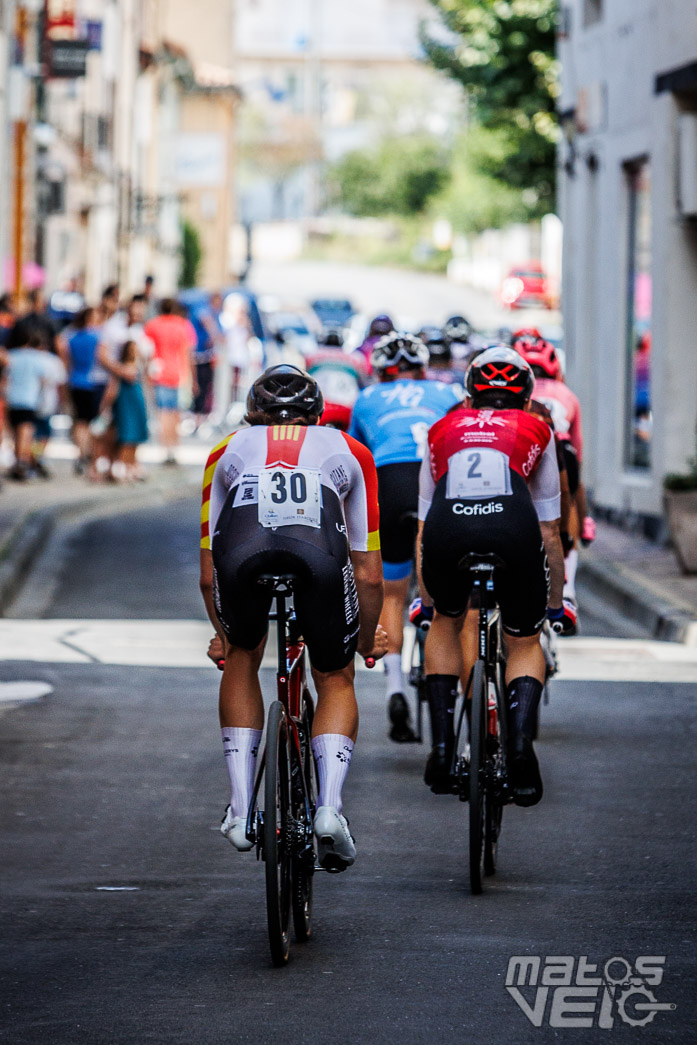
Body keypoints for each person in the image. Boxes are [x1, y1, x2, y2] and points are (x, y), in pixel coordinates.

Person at [199, 364, 387, 869]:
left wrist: (224, 634)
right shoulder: (351, 451)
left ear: (250, 415)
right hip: (319, 560)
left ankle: (240, 810)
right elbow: (369, 574)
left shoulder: (226, 450)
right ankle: (329, 809)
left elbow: (206, 572)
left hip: (241, 561)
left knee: (242, 657)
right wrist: (366, 639)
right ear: (319, 415)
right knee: (334, 675)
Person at [413, 346, 573, 806]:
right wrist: (555, 603)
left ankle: (443, 749)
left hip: (448, 532)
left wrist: (427, 599)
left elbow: (425, 523)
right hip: (513, 532)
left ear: (469, 397)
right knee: (523, 639)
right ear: (525, 399)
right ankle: (520, 745)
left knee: (446, 619)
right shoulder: (538, 427)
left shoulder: (442, 428)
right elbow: (548, 529)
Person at [349, 333, 460, 742]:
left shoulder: (368, 397)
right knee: (449, 599)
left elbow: (356, 454)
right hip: (434, 479)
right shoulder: (447, 392)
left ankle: (395, 686)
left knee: (393, 592)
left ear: (381, 370)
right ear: (422, 368)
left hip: (388, 482)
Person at [513, 335, 595, 606]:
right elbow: (578, 449)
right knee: (567, 499)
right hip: (563, 450)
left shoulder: (517, 391)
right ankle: (568, 584)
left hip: (525, 450)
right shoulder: (567, 394)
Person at [144, 298, 197, 465]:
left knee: (163, 413)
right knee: (175, 414)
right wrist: (193, 379)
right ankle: (174, 447)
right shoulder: (183, 325)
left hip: (159, 373)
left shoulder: (152, 325)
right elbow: (189, 354)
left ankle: (166, 448)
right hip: (179, 374)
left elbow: (146, 351)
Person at [4, 332, 60, 480]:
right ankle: (24, 462)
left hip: (11, 398)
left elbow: (6, 376)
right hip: (29, 399)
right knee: (26, 432)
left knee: (16, 433)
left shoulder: (10, 355)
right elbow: (43, 379)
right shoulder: (36, 358)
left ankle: (19, 461)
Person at [66, 307, 110, 476]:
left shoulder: (73, 337)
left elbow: (67, 358)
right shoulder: (98, 337)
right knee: (93, 421)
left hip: (76, 380)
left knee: (80, 421)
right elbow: (102, 358)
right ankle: (89, 454)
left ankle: (80, 452)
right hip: (94, 382)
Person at [111, 340, 149, 481]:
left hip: (137, 404)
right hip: (127, 404)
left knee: (135, 437)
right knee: (127, 436)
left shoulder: (138, 366)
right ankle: (122, 467)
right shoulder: (123, 368)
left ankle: (131, 466)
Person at [190, 292, 223, 421]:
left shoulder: (216, 315)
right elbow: (208, 325)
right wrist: (216, 337)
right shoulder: (204, 310)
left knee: (206, 386)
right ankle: (196, 416)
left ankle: (202, 416)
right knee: (197, 386)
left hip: (207, 356)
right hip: (197, 356)